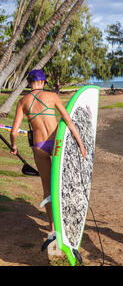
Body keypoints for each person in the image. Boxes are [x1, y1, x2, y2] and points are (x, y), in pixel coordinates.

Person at [10, 70, 86, 242]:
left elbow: (14, 132)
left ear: (30, 83)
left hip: (39, 147)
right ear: (43, 82)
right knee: (64, 183)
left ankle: (52, 229)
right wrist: (80, 144)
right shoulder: (52, 96)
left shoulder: (23, 101)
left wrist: (14, 146)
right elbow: (68, 120)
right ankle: (67, 221)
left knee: (47, 187)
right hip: (57, 143)